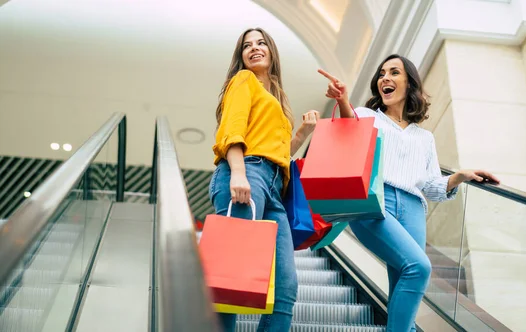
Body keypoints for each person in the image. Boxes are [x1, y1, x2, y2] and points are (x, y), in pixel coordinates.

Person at [318, 54, 499, 332]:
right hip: (375, 202)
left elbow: (430, 186)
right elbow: (349, 129)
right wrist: (343, 100)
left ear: (409, 83)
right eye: (381, 74)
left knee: (404, 277)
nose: (385, 78)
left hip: (413, 209)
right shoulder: (368, 116)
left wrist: (460, 176)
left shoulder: (424, 138)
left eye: (394, 73)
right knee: (419, 268)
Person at [210, 27, 320, 331]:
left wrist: (301, 133)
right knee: (229, 276)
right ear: (241, 56)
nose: (254, 48)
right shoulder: (243, 80)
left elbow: (280, 153)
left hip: (273, 187)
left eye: (261, 43)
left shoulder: (276, 96)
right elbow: (233, 128)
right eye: (247, 45)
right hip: (246, 173)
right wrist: (239, 173)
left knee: (286, 287)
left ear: (271, 51)